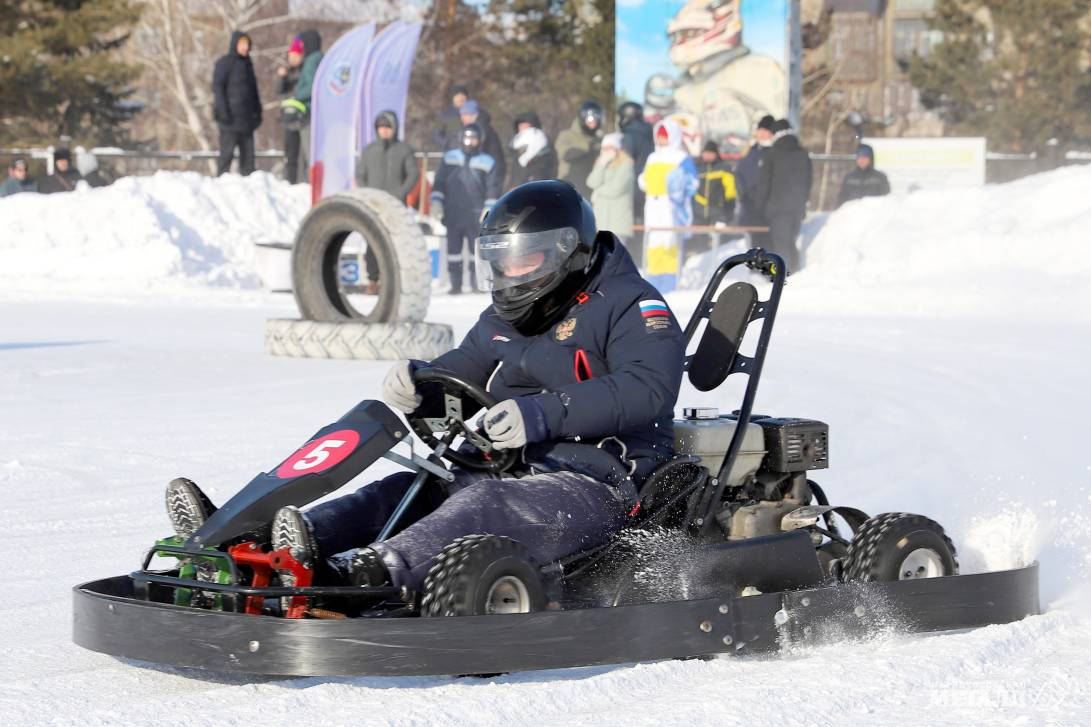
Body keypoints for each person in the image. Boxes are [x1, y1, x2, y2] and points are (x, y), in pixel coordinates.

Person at [164, 180, 685, 595]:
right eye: (500, 259)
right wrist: (420, 380)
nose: (509, 273)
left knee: (484, 508)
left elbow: (648, 388)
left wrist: (542, 415)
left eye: (522, 259)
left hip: (597, 480)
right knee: (400, 493)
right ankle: (262, 544)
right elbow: (467, 363)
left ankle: (360, 574)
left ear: (565, 252)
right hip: (506, 460)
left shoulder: (631, 303)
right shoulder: (509, 313)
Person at [430, 124, 503, 294]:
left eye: (474, 138)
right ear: (461, 138)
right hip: (452, 213)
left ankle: (476, 283)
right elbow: (439, 183)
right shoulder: (449, 158)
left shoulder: (488, 161)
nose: (470, 142)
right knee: (453, 252)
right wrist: (436, 202)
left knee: (475, 252)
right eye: (467, 138)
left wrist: (489, 207)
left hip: (476, 214)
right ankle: (455, 285)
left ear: (480, 140)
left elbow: (493, 187)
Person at [355, 110, 420, 294]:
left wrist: (401, 192)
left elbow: (413, 173)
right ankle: (373, 280)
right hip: (373, 204)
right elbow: (360, 174)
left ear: (395, 128)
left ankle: (394, 280)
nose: (384, 130)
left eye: (388, 127)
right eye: (381, 127)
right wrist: (367, 192)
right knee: (372, 241)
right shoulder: (369, 150)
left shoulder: (404, 150)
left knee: (396, 242)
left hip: (395, 204)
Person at [638, 119, 699, 290]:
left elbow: (692, 182)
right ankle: (653, 283)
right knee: (654, 244)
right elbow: (644, 179)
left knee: (670, 244)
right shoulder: (653, 157)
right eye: (659, 136)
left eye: (664, 136)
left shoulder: (681, 158)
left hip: (670, 208)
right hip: (653, 206)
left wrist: (677, 192)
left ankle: (670, 283)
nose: (661, 140)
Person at [754, 119, 811, 272]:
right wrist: (803, 204)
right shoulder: (802, 153)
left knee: (781, 247)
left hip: (777, 209)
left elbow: (764, 183)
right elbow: (807, 181)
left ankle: (783, 279)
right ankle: (793, 274)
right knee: (790, 243)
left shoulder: (772, 154)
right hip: (797, 208)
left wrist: (759, 207)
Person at [212, 30, 262, 176]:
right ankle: (221, 185)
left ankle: (249, 188)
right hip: (229, 120)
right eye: (242, 44)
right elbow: (218, 88)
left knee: (248, 160)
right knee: (226, 157)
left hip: (247, 121)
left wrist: (258, 112)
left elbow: (254, 91)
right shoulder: (225, 63)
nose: (245, 47)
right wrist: (223, 112)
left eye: (247, 44)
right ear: (235, 45)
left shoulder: (248, 65)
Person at [586, 133, 635, 246]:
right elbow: (591, 182)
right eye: (604, 148)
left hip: (618, 222)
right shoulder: (603, 164)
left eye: (609, 148)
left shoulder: (626, 165)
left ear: (617, 149)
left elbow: (616, 189)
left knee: (617, 256)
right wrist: (601, 165)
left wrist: (598, 192)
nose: (606, 151)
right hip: (601, 222)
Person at [735, 114, 775, 246]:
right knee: (753, 247)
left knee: (768, 246)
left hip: (767, 210)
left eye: (766, 130)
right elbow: (739, 175)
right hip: (750, 207)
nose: (762, 134)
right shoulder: (750, 152)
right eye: (760, 130)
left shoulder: (774, 152)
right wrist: (743, 195)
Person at [692, 140, 736, 252]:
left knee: (719, 243)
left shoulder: (723, 168)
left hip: (717, 211)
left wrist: (728, 211)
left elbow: (730, 192)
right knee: (699, 243)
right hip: (698, 212)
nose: (707, 155)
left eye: (711, 153)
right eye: (706, 152)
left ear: (716, 154)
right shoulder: (696, 168)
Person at [555, 100, 605, 198]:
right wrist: (588, 146)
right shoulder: (567, 136)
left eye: (596, 118)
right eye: (590, 119)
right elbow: (565, 154)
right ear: (583, 118)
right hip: (569, 187)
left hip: (591, 189)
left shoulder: (600, 140)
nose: (593, 123)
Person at [290, 30, 323, 176]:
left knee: (309, 151)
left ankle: (310, 182)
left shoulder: (311, 61)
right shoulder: (319, 59)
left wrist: (296, 97)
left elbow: (312, 86)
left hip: (308, 112)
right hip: (316, 112)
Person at [617, 101, 654, 223]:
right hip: (646, 184)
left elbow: (624, 163)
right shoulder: (649, 133)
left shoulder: (629, 136)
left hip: (630, 186)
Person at [458, 100, 506, 187]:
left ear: (473, 115)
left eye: (465, 115)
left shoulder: (480, 130)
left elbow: (475, 152)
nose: (462, 118)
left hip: (488, 172)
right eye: (461, 115)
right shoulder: (481, 126)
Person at [276, 37, 305, 184]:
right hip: (289, 118)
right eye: (291, 55)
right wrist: (281, 78)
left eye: (296, 55)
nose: (292, 58)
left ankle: (304, 182)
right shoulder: (287, 72)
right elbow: (280, 92)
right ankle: (290, 182)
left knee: (305, 154)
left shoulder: (306, 72)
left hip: (303, 117)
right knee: (290, 155)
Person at [433, 83, 470, 151]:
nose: (460, 98)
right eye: (457, 95)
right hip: (452, 153)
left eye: (463, 95)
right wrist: (448, 143)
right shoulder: (444, 114)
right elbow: (436, 134)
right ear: (453, 97)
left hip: (471, 151)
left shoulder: (474, 113)